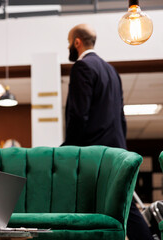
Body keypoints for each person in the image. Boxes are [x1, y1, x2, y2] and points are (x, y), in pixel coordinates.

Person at [62, 24, 153, 240]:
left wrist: (68, 150)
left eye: (69, 43)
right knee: (122, 206)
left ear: (77, 42)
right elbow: (120, 119)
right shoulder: (112, 71)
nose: (69, 47)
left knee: (85, 207)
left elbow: (78, 115)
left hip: (94, 155)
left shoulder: (82, 67)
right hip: (116, 151)